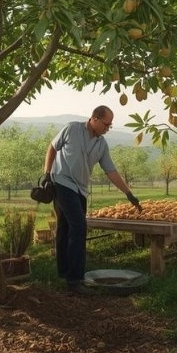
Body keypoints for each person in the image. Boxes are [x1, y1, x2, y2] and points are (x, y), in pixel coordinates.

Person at [44, 105, 143, 296]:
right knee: (79, 226)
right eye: (106, 124)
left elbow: (111, 171)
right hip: (61, 182)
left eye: (110, 126)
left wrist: (128, 194)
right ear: (94, 119)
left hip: (80, 189)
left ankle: (64, 272)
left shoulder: (101, 144)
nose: (107, 128)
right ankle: (75, 280)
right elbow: (52, 147)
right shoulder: (72, 128)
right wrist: (47, 174)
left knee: (65, 226)